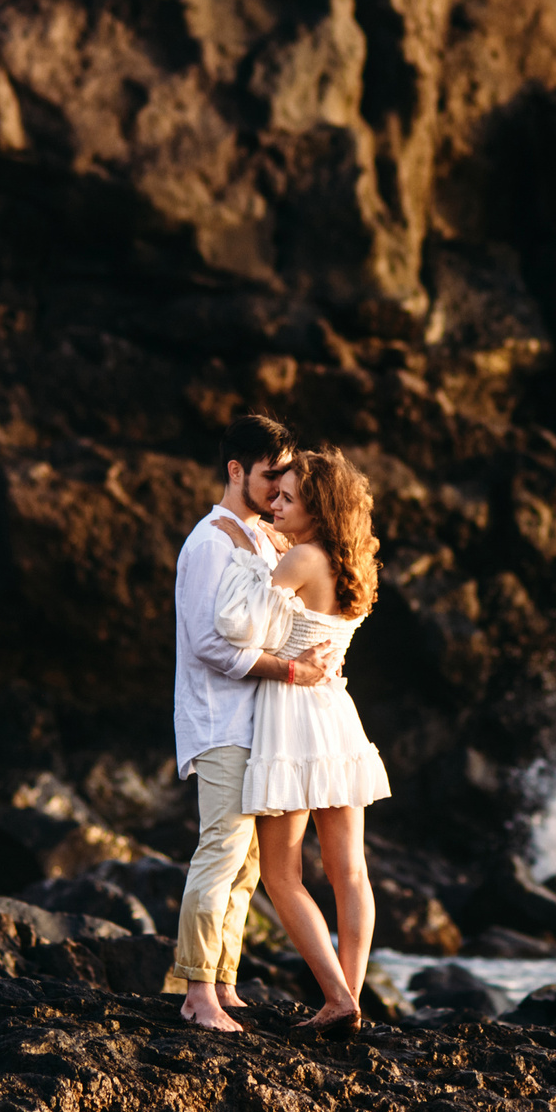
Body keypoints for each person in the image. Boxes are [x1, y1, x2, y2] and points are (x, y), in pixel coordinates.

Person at [209, 445, 391, 1032]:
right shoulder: (353, 560)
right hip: (336, 715)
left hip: (291, 717)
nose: (275, 505)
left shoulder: (299, 560)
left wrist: (245, 558)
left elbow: (237, 624)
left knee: (282, 874)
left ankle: (337, 1000)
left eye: (288, 498)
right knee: (350, 872)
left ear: (317, 508)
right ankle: (350, 998)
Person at [170, 413, 339, 1033]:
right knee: (219, 853)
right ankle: (196, 993)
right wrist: (291, 672)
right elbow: (210, 645)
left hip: (265, 725)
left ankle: (224, 982)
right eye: (269, 477)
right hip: (219, 720)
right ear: (236, 470)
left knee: (247, 866)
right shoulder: (210, 542)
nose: (277, 492)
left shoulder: (266, 540)